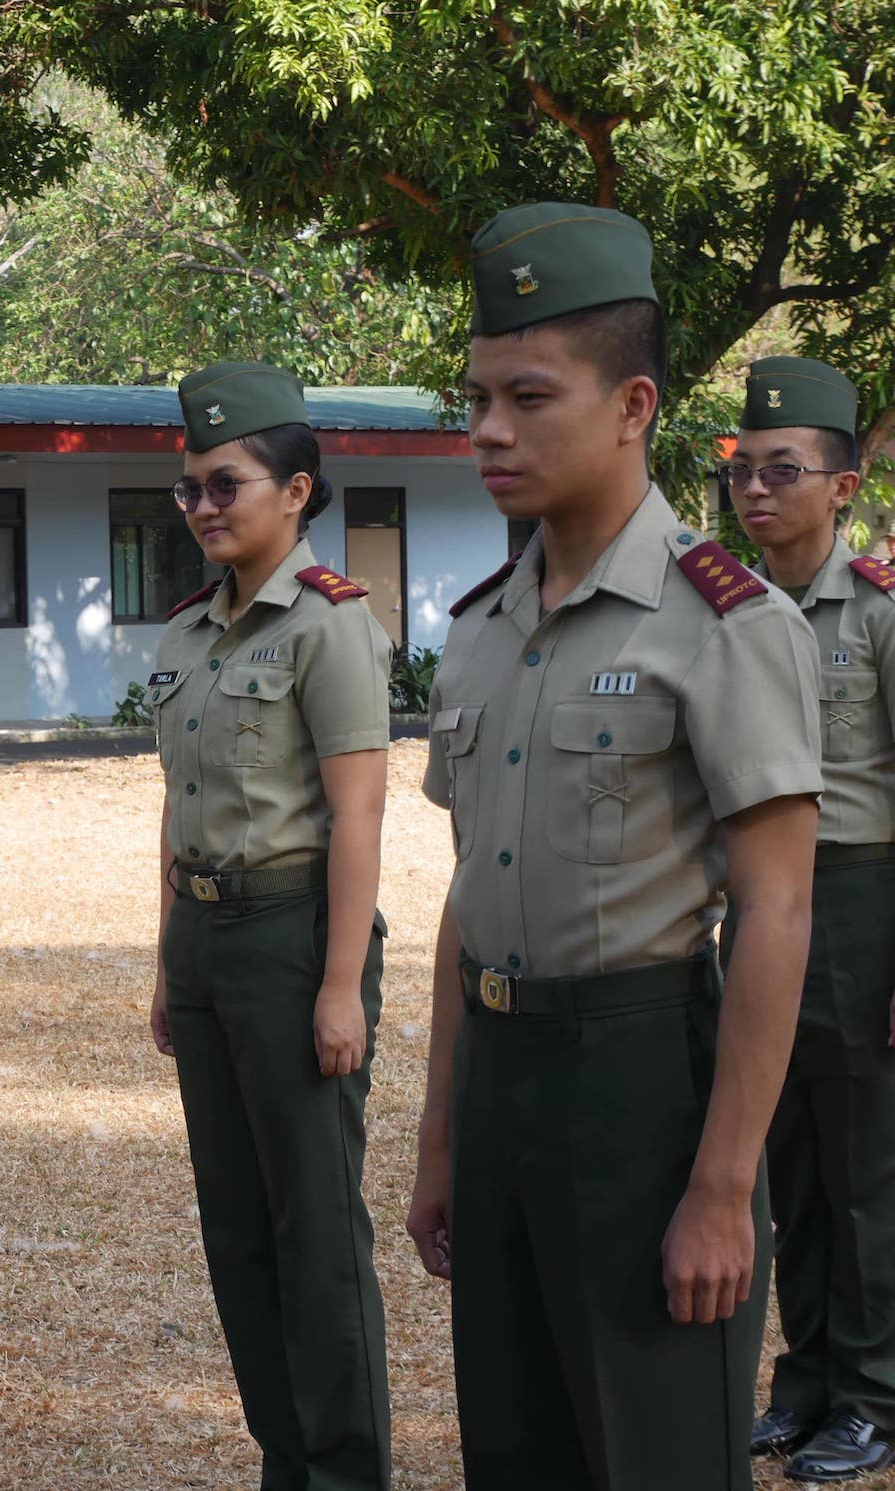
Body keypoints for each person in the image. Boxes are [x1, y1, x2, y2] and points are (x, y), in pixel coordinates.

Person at [406, 202, 824, 1491]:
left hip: (645, 1090)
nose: (488, 430)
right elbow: (468, 893)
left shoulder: (725, 623)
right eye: (477, 397)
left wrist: (720, 1187)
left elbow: (776, 912)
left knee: (655, 1457)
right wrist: (438, 1134)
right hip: (505, 1086)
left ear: (633, 404)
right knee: (517, 1452)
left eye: (529, 397)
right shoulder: (480, 626)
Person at [147, 361, 395, 1491]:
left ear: (295, 492)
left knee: (314, 1230)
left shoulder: (327, 628)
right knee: (237, 1230)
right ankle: (284, 1459)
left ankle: (344, 1472)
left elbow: (357, 815)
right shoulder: (188, 636)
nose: (203, 505)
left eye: (225, 484)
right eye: (190, 488)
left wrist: (340, 986)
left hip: (295, 939)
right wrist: (166, 964)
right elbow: (175, 810)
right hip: (206, 948)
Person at [725, 356, 895, 1483]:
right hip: (756, 907)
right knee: (784, 1157)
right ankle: (806, 1380)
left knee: (866, 1169)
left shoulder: (876, 610)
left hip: (855, 896)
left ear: (841, 486)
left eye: (782, 472)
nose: (755, 490)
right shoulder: (726, 610)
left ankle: (874, 1396)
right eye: (742, 469)